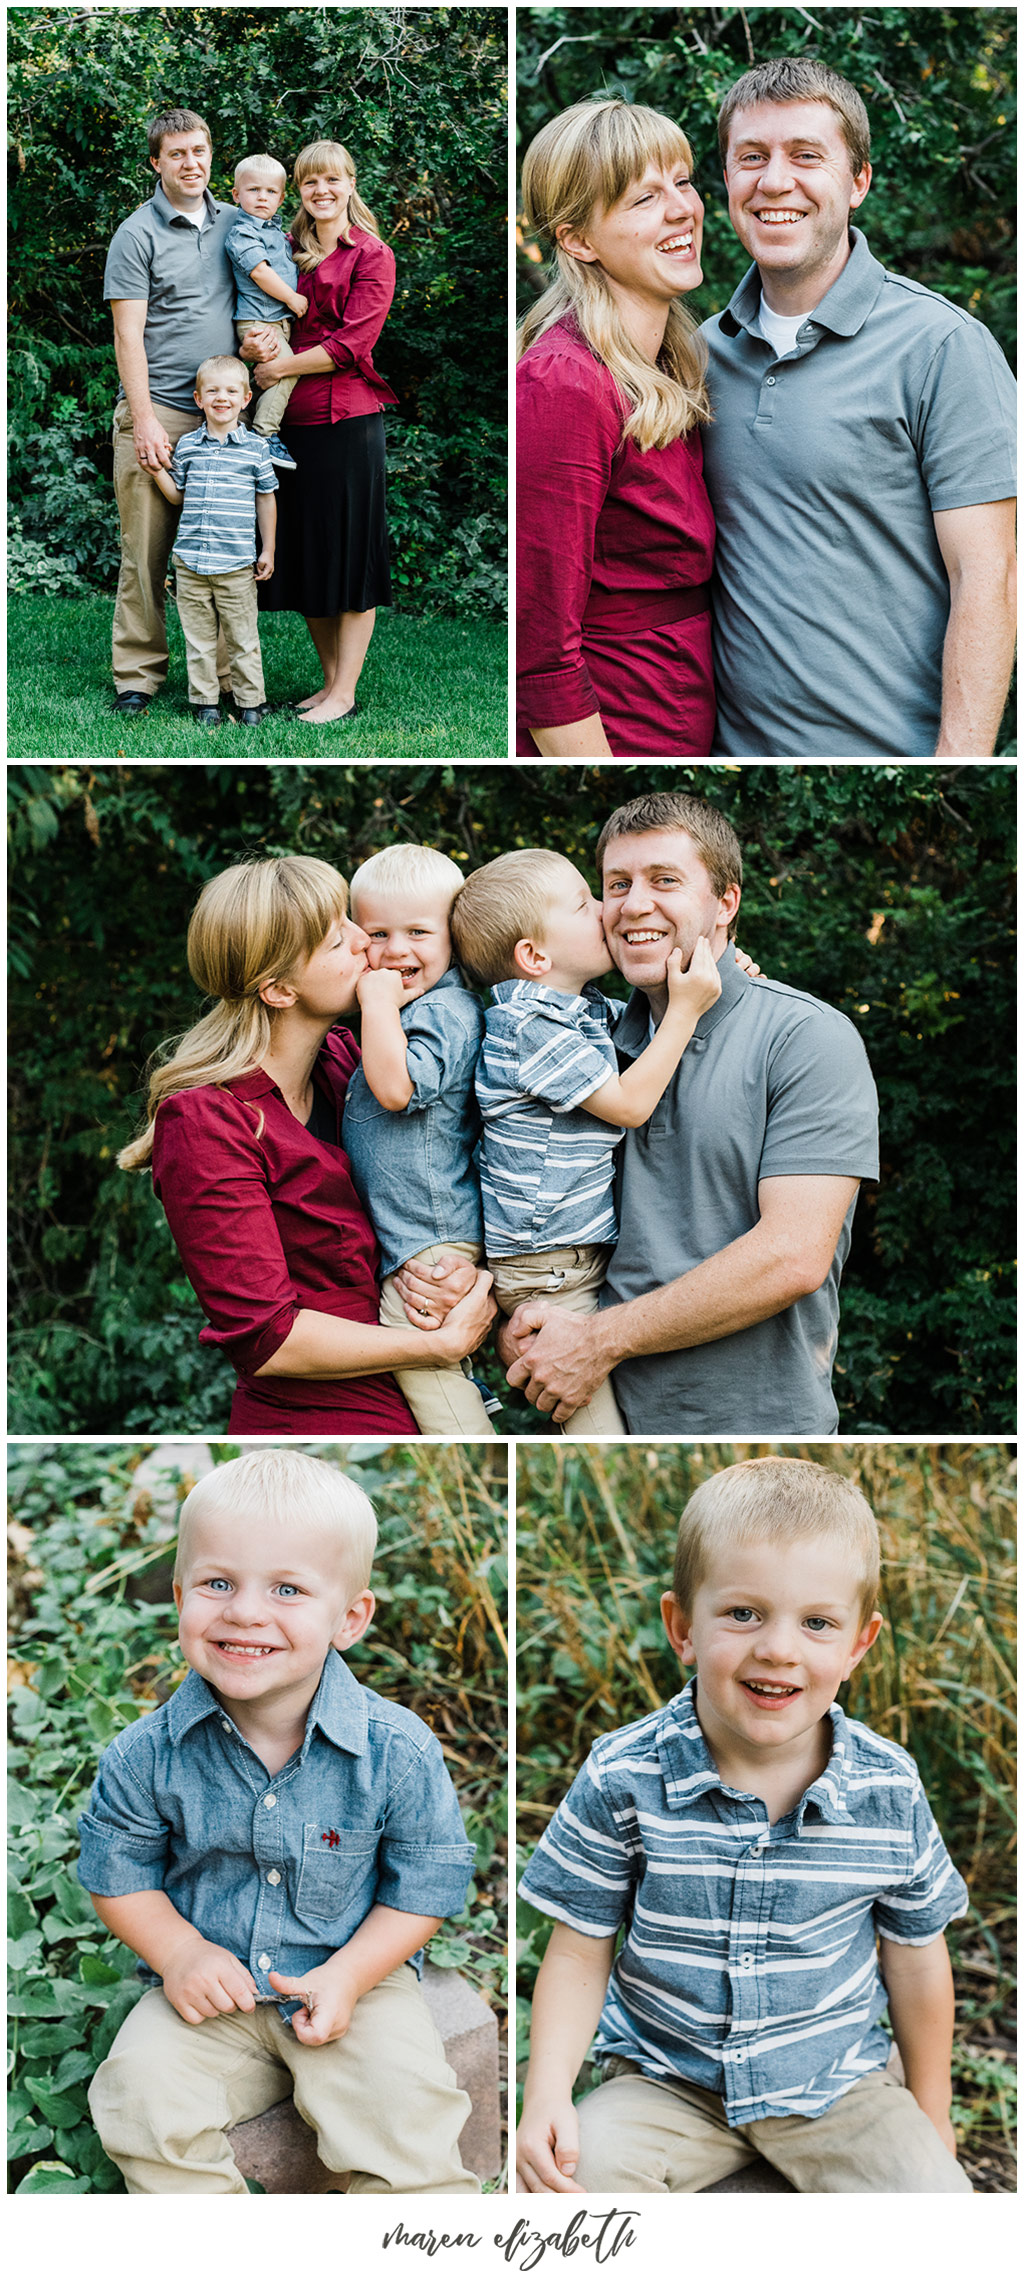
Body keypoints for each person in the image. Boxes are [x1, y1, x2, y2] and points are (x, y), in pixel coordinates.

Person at [517, 1456, 972, 2195]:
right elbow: (576, 1953)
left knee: (938, 2216)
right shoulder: (624, 1776)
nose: (778, 1649)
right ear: (682, 1626)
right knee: (571, 2187)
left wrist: (932, 2113)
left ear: (859, 1644)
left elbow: (918, 1957)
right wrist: (546, 2095)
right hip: (667, 2081)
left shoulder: (887, 1790)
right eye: (743, 1613)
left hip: (834, 2087)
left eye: (818, 1623)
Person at [79, 1449, 480, 2196]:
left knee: (407, 2116)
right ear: (179, 1597)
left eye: (288, 1589)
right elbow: (119, 1874)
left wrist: (352, 1975)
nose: (244, 1611)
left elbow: (424, 1885)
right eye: (217, 1583)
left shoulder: (394, 1751)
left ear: (349, 1617)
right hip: (210, 1990)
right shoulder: (145, 1756)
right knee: (138, 2096)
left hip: (350, 1981)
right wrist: (179, 1954)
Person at [499, 790, 879, 1435]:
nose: (634, 904)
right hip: (597, 1418)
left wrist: (597, 1340)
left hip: (752, 1426)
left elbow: (791, 1256)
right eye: (615, 884)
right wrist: (508, 1307)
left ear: (725, 903)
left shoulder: (806, 1037)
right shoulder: (581, 1040)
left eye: (665, 880)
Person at [701, 55, 1017, 758]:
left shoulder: (943, 347)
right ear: (726, 180)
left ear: (858, 182)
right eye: (751, 157)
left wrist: (952, 767)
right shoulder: (697, 355)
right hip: (726, 754)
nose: (774, 181)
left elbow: (989, 579)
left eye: (806, 155)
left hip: (895, 753)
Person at [116, 854, 494, 1433]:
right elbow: (270, 1339)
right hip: (326, 1421)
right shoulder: (206, 1120)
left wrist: (467, 1280)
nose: (364, 942)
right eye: (335, 938)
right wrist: (437, 1346)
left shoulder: (347, 1063)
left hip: (431, 1394)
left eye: (349, 919)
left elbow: (435, 1168)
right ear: (279, 990)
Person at [449, 848, 723, 1435]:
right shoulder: (528, 1027)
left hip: (569, 1249)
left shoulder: (580, 1009)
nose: (606, 910)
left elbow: (641, 1025)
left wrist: (721, 965)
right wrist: (687, 1012)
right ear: (534, 955)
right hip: (550, 1258)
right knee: (596, 1427)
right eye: (584, 902)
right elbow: (628, 1104)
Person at [516, 99, 716, 758]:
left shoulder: (672, 361)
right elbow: (539, 647)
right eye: (643, 198)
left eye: (682, 182)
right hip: (615, 729)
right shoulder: (566, 383)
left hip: (677, 706)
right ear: (577, 239)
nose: (683, 209)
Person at [341, 843, 496, 1438]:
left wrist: (375, 1003)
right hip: (416, 1232)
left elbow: (396, 1090)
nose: (396, 949)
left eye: (418, 932)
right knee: (434, 1358)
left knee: (416, 1353)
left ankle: (468, 1451)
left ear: (453, 938)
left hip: (434, 1237)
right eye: (377, 932)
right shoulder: (412, 1009)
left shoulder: (447, 1010)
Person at [242, 140, 399, 727]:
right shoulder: (284, 250)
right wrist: (256, 343)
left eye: (332, 180)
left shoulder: (372, 255)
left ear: (350, 184)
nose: (322, 191)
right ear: (298, 193)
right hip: (289, 426)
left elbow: (353, 345)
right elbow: (262, 312)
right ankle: (329, 682)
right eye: (310, 183)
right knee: (308, 557)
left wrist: (279, 366)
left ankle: (345, 691)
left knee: (351, 559)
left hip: (347, 423)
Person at [104, 108, 237, 714]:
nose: (192, 163)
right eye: (178, 154)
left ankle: (228, 679)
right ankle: (138, 675)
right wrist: (145, 420)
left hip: (224, 419)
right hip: (158, 411)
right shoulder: (136, 235)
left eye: (200, 151)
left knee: (224, 556)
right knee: (147, 554)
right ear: (156, 162)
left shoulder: (239, 224)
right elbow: (127, 337)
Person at [148, 355, 277, 727]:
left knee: (243, 639)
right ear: (198, 398)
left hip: (237, 563)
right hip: (190, 563)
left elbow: (266, 498)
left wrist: (268, 548)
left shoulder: (255, 449)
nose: (222, 397)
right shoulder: (188, 446)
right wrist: (157, 470)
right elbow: (177, 496)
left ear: (246, 398)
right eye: (213, 390)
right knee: (199, 639)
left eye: (231, 391)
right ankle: (206, 703)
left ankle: (251, 703)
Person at [225, 153, 307, 468]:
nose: (262, 197)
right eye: (253, 190)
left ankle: (255, 433)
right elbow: (259, 272)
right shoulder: (243, 232)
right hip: (258, 322)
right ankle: (263, 436)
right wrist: (292, 298)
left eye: (271, 192)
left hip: (275, 322)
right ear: (236, 194)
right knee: (288, 368)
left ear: (282, 197)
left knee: (277, 376)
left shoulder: (276, 232)